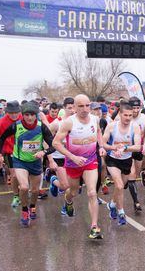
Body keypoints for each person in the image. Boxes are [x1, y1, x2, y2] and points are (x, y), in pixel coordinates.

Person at [52, 94, 106, 239]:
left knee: (92, 193)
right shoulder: (69, 122)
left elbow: (99, 132)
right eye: (81, 106)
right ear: (74, 107)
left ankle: (94, 227)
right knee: (73, 192)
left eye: (87, 105)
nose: (85, 109)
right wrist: (73, 157)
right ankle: (68, 201)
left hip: (90, 162)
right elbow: (56, 143)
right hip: (73, 163)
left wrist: (101, 146)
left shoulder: (95, 119)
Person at [0, 103, 55, 226]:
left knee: (35, 190)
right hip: (19, 161)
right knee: (24, 187)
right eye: (27, 115)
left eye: (32, 115)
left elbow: (53, 145)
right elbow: (1, 139)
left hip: (35, 162)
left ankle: (32, 206)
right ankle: (24, 210)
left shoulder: (41, 127)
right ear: (22, 115)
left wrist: (43, 152)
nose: (29, 118)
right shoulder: (16, 126)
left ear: (36, 115)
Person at [104, 103, 141, 225]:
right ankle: (121, 212)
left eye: (130, 115)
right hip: (112, 159)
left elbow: (137, 147)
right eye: (125, 115)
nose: (128, 118)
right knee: (119, 185)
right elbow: (103, 144)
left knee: (120, 187)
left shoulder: (135, 127)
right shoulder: (111, 126)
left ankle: (112, 204)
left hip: (126, 160)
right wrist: (114, 148)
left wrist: (124, 148)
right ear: (120, 114)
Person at [0, 100, 22, 207]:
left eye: (16, 112)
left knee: (25, 176)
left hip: (25, 152)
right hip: (10, 152)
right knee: (14, 175)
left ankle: (24, 191)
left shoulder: (25, 119)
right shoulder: (1, 123)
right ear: (7, 111)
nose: (14, 115)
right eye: (11, 112)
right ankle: (16, 196)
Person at [47, 97, 75, 197]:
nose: (72, 110)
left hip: (73, 157)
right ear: (64, 108)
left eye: (74, 108)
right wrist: (50, 159)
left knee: (75, 186)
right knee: (65, 186)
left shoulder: (78, 121)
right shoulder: (56, 123)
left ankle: (67, 205)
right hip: (59, 157)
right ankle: (52, 179)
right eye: (70, 108)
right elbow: (45, 140)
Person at [129, 97, 145, 212]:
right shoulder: (123, 117)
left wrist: (144, 145)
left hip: (139, 149)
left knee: (135, 174)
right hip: (127, 150)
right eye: (133, 108)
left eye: (138, 108)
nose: (136, 110)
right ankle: (136, 202)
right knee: (132, 175)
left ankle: (130, 182)